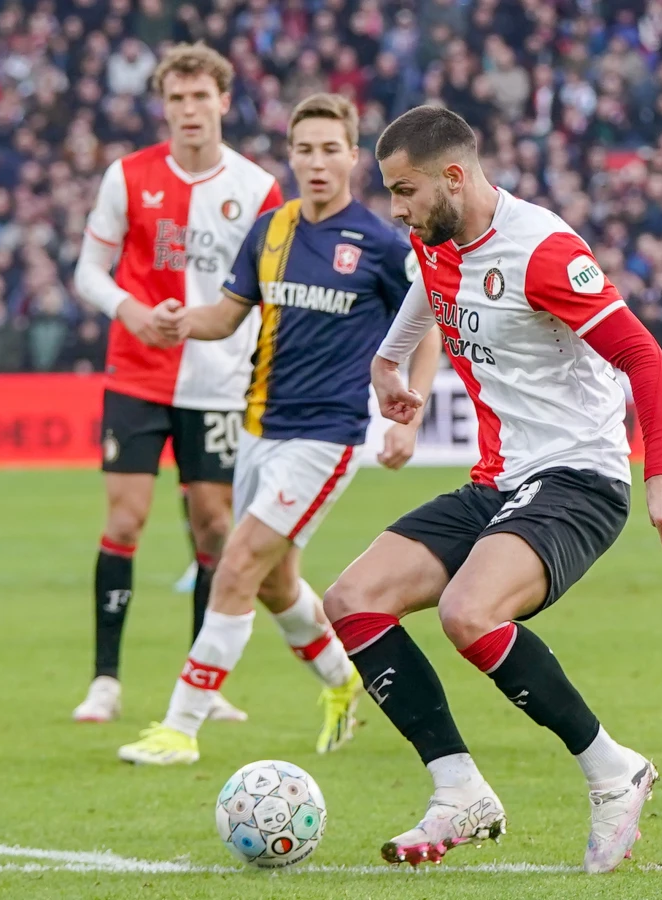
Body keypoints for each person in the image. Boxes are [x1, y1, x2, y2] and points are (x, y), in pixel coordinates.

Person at [321, 106, 662, 873]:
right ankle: (459, 790)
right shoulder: (439, 241)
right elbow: (429, 295)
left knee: (468, 612)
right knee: (351, 600)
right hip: (498, 483)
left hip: (579, 478)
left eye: (405, 191)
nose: (396, 209)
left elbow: (645, 360)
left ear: (454, 177)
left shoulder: (544, 250)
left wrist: (661, 473)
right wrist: (387, 364)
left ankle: (612, 770)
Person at [118, 94, 441, 765]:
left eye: (331, 149)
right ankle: (345, 681)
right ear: (290, 156)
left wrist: (411, 412)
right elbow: (227, 315)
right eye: (305, 149)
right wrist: (179, 320)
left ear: (353, 157)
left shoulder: (380, 244)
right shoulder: (271, 231)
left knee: (236, 563)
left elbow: (428, 321)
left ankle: (181, 726)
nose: (318, 162)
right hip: (260, 429)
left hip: (327, 438)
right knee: (274, 581)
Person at [70, 42, 283, 724]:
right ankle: (105, 680)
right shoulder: (127, 177)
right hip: (138, 371)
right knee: (125, 517)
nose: (189, 110)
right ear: (163, 106)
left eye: (200, 97)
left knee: (215, 527)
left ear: (223, 101)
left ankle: (203, 679)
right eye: (176, 99)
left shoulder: (256, 188)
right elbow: (88, 273)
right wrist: (132, 310)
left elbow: (269, 287)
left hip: (219, 380)